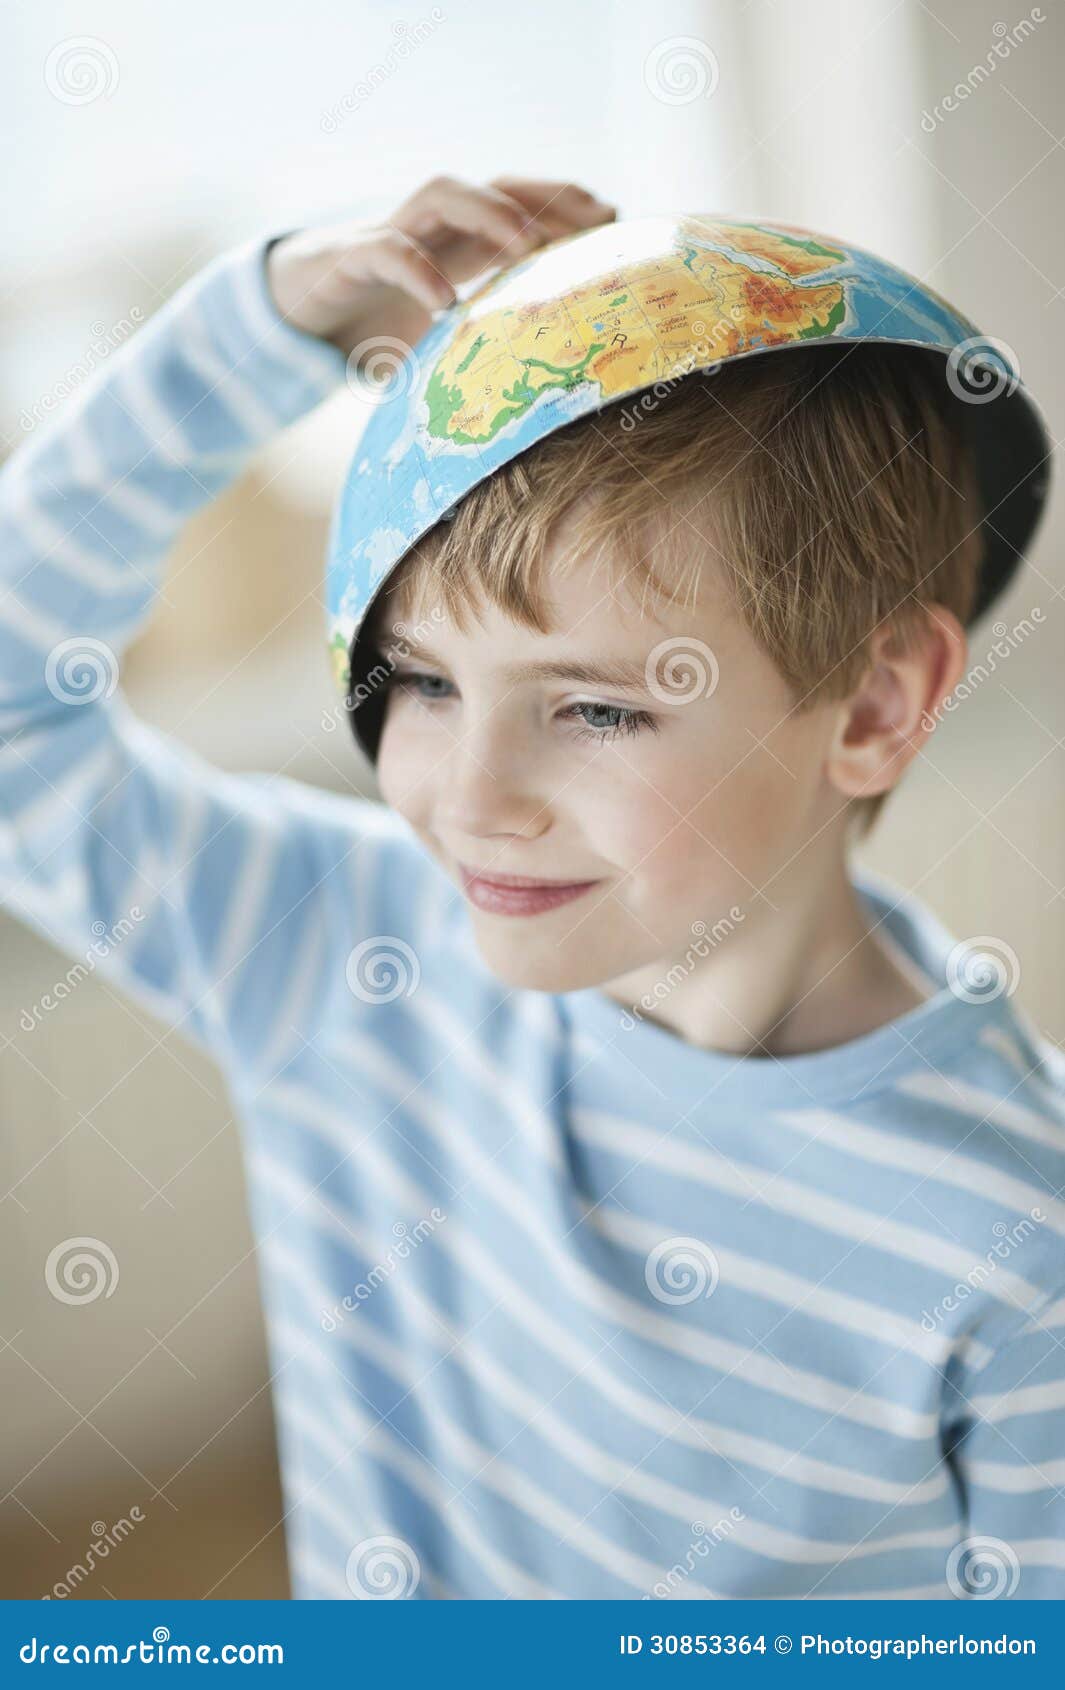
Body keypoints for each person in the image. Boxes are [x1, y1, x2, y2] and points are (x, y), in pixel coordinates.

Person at [1, 175, 1062, 1601]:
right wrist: (255, 335)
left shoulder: (1016, 1240)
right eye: (424, 682)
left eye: (595, 708)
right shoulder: (346, 954)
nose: (470, 794)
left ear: (872, 702)